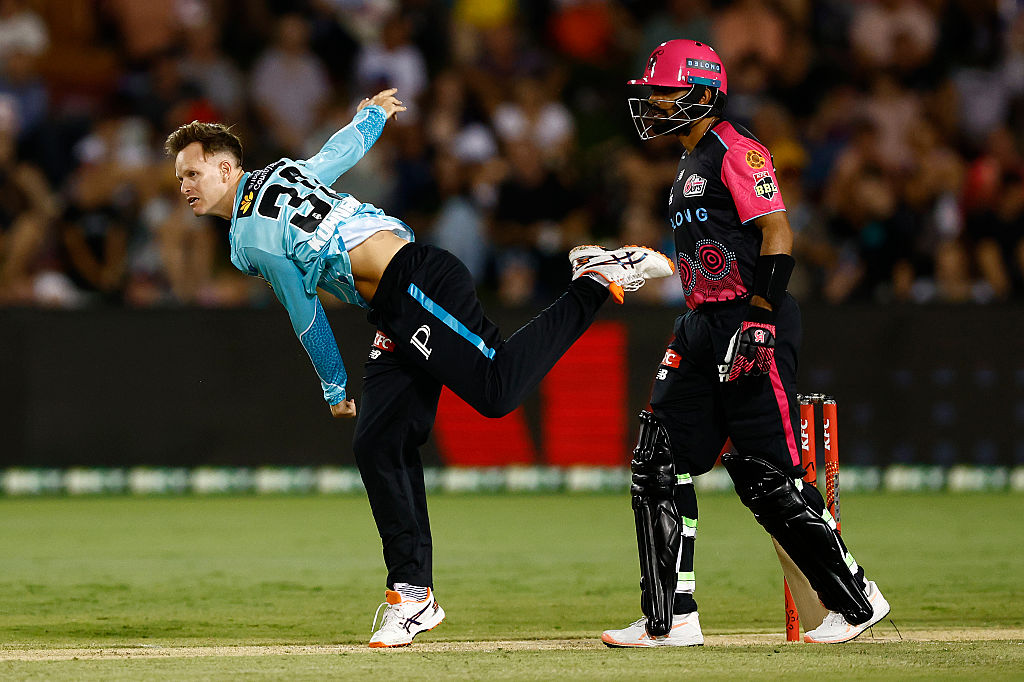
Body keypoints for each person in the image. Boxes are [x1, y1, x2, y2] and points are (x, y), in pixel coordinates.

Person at [164, 88, 673, 648]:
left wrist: (335, 384)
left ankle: (595, 281)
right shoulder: (283, 173)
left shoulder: (249, 235)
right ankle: (412, 595)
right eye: (181, 177)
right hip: (396, 303)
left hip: (415, 286)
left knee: (497, 389)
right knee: (378, 441)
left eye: (192, 172)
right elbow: (337, 153)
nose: (183, 185)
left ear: (225, 166)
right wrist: (371, 116)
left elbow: (304, 312)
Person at [601, 40, 890, 647]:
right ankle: (670, 619)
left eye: (664, 92)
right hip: (701, 323)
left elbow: (777, 232)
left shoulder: (737, 148)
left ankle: (857, 600)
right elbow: (704, 256)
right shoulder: (687, 162)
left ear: (704, 94)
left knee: (767, 474)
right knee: (657, 460)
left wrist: (759, 318)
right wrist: (643, 265)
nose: (652, 102)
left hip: (750, 317)